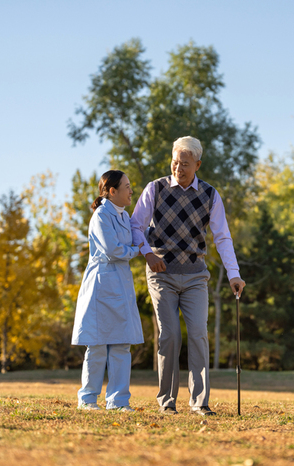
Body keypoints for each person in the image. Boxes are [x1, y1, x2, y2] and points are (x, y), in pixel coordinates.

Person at [131, 136, 246, 416]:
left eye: (184, 164)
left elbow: (222, 236)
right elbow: (136, 226)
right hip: (162, 273)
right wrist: (147, 253)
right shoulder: (155, 189)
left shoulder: (209, 195)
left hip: (195, 275)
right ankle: (167, 402)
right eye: (174, 162)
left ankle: (199, 402)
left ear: (197, 164)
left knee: (197, 334)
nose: (178, 168)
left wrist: (234, 273)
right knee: (169, 335)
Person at [72, 170, 144, 411]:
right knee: (98, 344)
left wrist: (136, 247)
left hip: (120, 283)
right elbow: (114, 250)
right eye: (127, 186)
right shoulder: (102, 215)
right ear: (112, 191)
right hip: (102, 285)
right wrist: (137, 250)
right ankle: (88, 400)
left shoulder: (124, 215)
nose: (131, 190)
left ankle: (118, 401)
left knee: (122, 345)